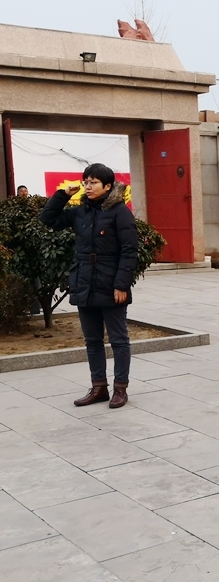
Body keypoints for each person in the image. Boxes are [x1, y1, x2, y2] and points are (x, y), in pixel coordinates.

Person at [39, 163, 137, 409]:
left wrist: (121, 285)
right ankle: (99, 387)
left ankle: (120, 388)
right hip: (84, 282)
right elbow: (48, 218)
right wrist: (63, 195)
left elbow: (129, 251)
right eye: (86, 182)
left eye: (93, 182)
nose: (88, 186)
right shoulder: (80, 211)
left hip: (111, 283)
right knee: (92, 340)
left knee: (118, 339)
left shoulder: (120, 212)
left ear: (107, 186)